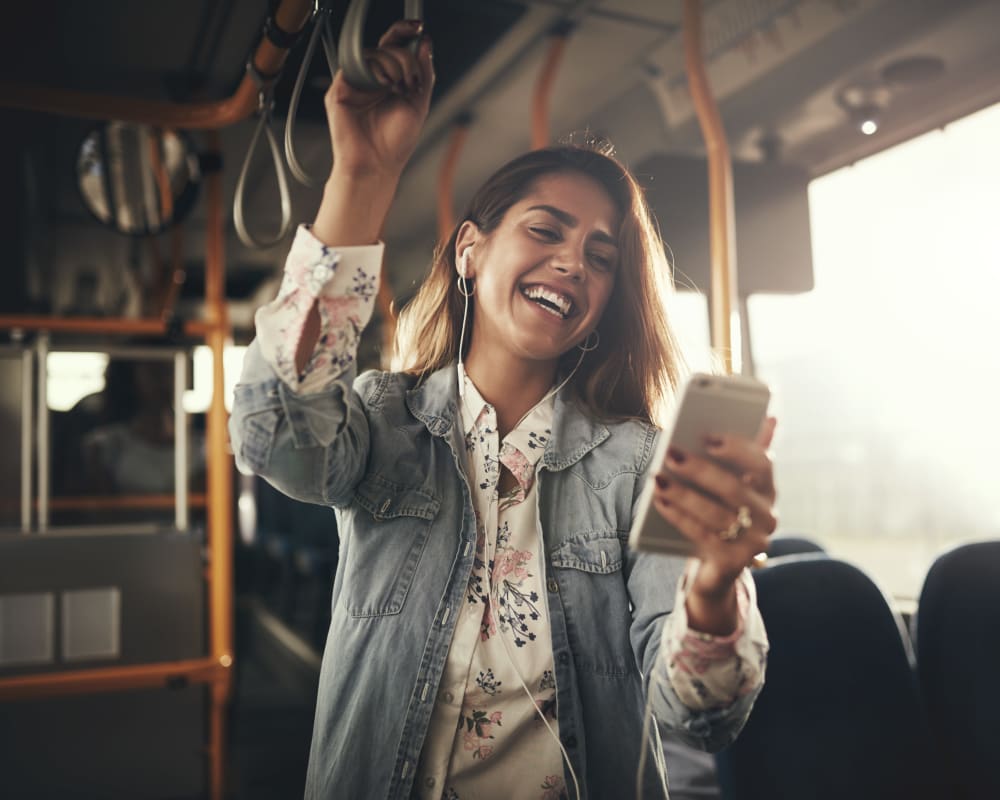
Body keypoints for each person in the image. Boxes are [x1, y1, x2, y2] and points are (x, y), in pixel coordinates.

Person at [229, 19, 776, 800]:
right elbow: (271, 432)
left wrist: (714, 592)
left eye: (599, 256)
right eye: (545, 231)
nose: (571, 263)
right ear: (469, 252)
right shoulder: (386, 424)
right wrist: (363, 175)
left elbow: (697, 717)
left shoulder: (639, 465)